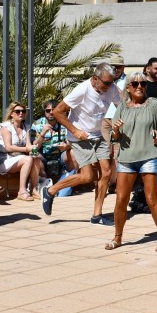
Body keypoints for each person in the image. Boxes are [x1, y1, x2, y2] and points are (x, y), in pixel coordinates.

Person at [41, 63, 124, 225]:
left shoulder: (112, 88)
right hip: (80, 137)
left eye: (112, 82)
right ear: (95, 79)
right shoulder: (82, 90)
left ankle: (97, 215)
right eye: (106, 83)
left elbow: (122, 106)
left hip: (97, 135)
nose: (109, 86)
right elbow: (58, 111)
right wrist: (75, 130)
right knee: (87, 176)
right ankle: (50, 191)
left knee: (106, 173)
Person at [109, 72, 157, 252]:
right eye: (135, 84)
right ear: (128, 87)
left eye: (143, 84)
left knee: (152, 199)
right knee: (121, 199)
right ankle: (118, 237)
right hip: (126, 158)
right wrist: (116, 131)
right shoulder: (122, 107)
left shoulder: (153, 104)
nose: (139, 87)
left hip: (149, 156)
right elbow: (114, 136)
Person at [0, 102, 46, 202]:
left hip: (20, 158)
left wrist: (32, 149)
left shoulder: (26, 126)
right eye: (17, 111)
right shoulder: (5, 127)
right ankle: (22, 191)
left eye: (23, 111)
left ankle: (33, 189)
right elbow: (8, 148)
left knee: (36, 158)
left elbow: (28, 145)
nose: (21, 113)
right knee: (27, 159)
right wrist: (27, 149)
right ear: (11, 113)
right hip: (5, 160)